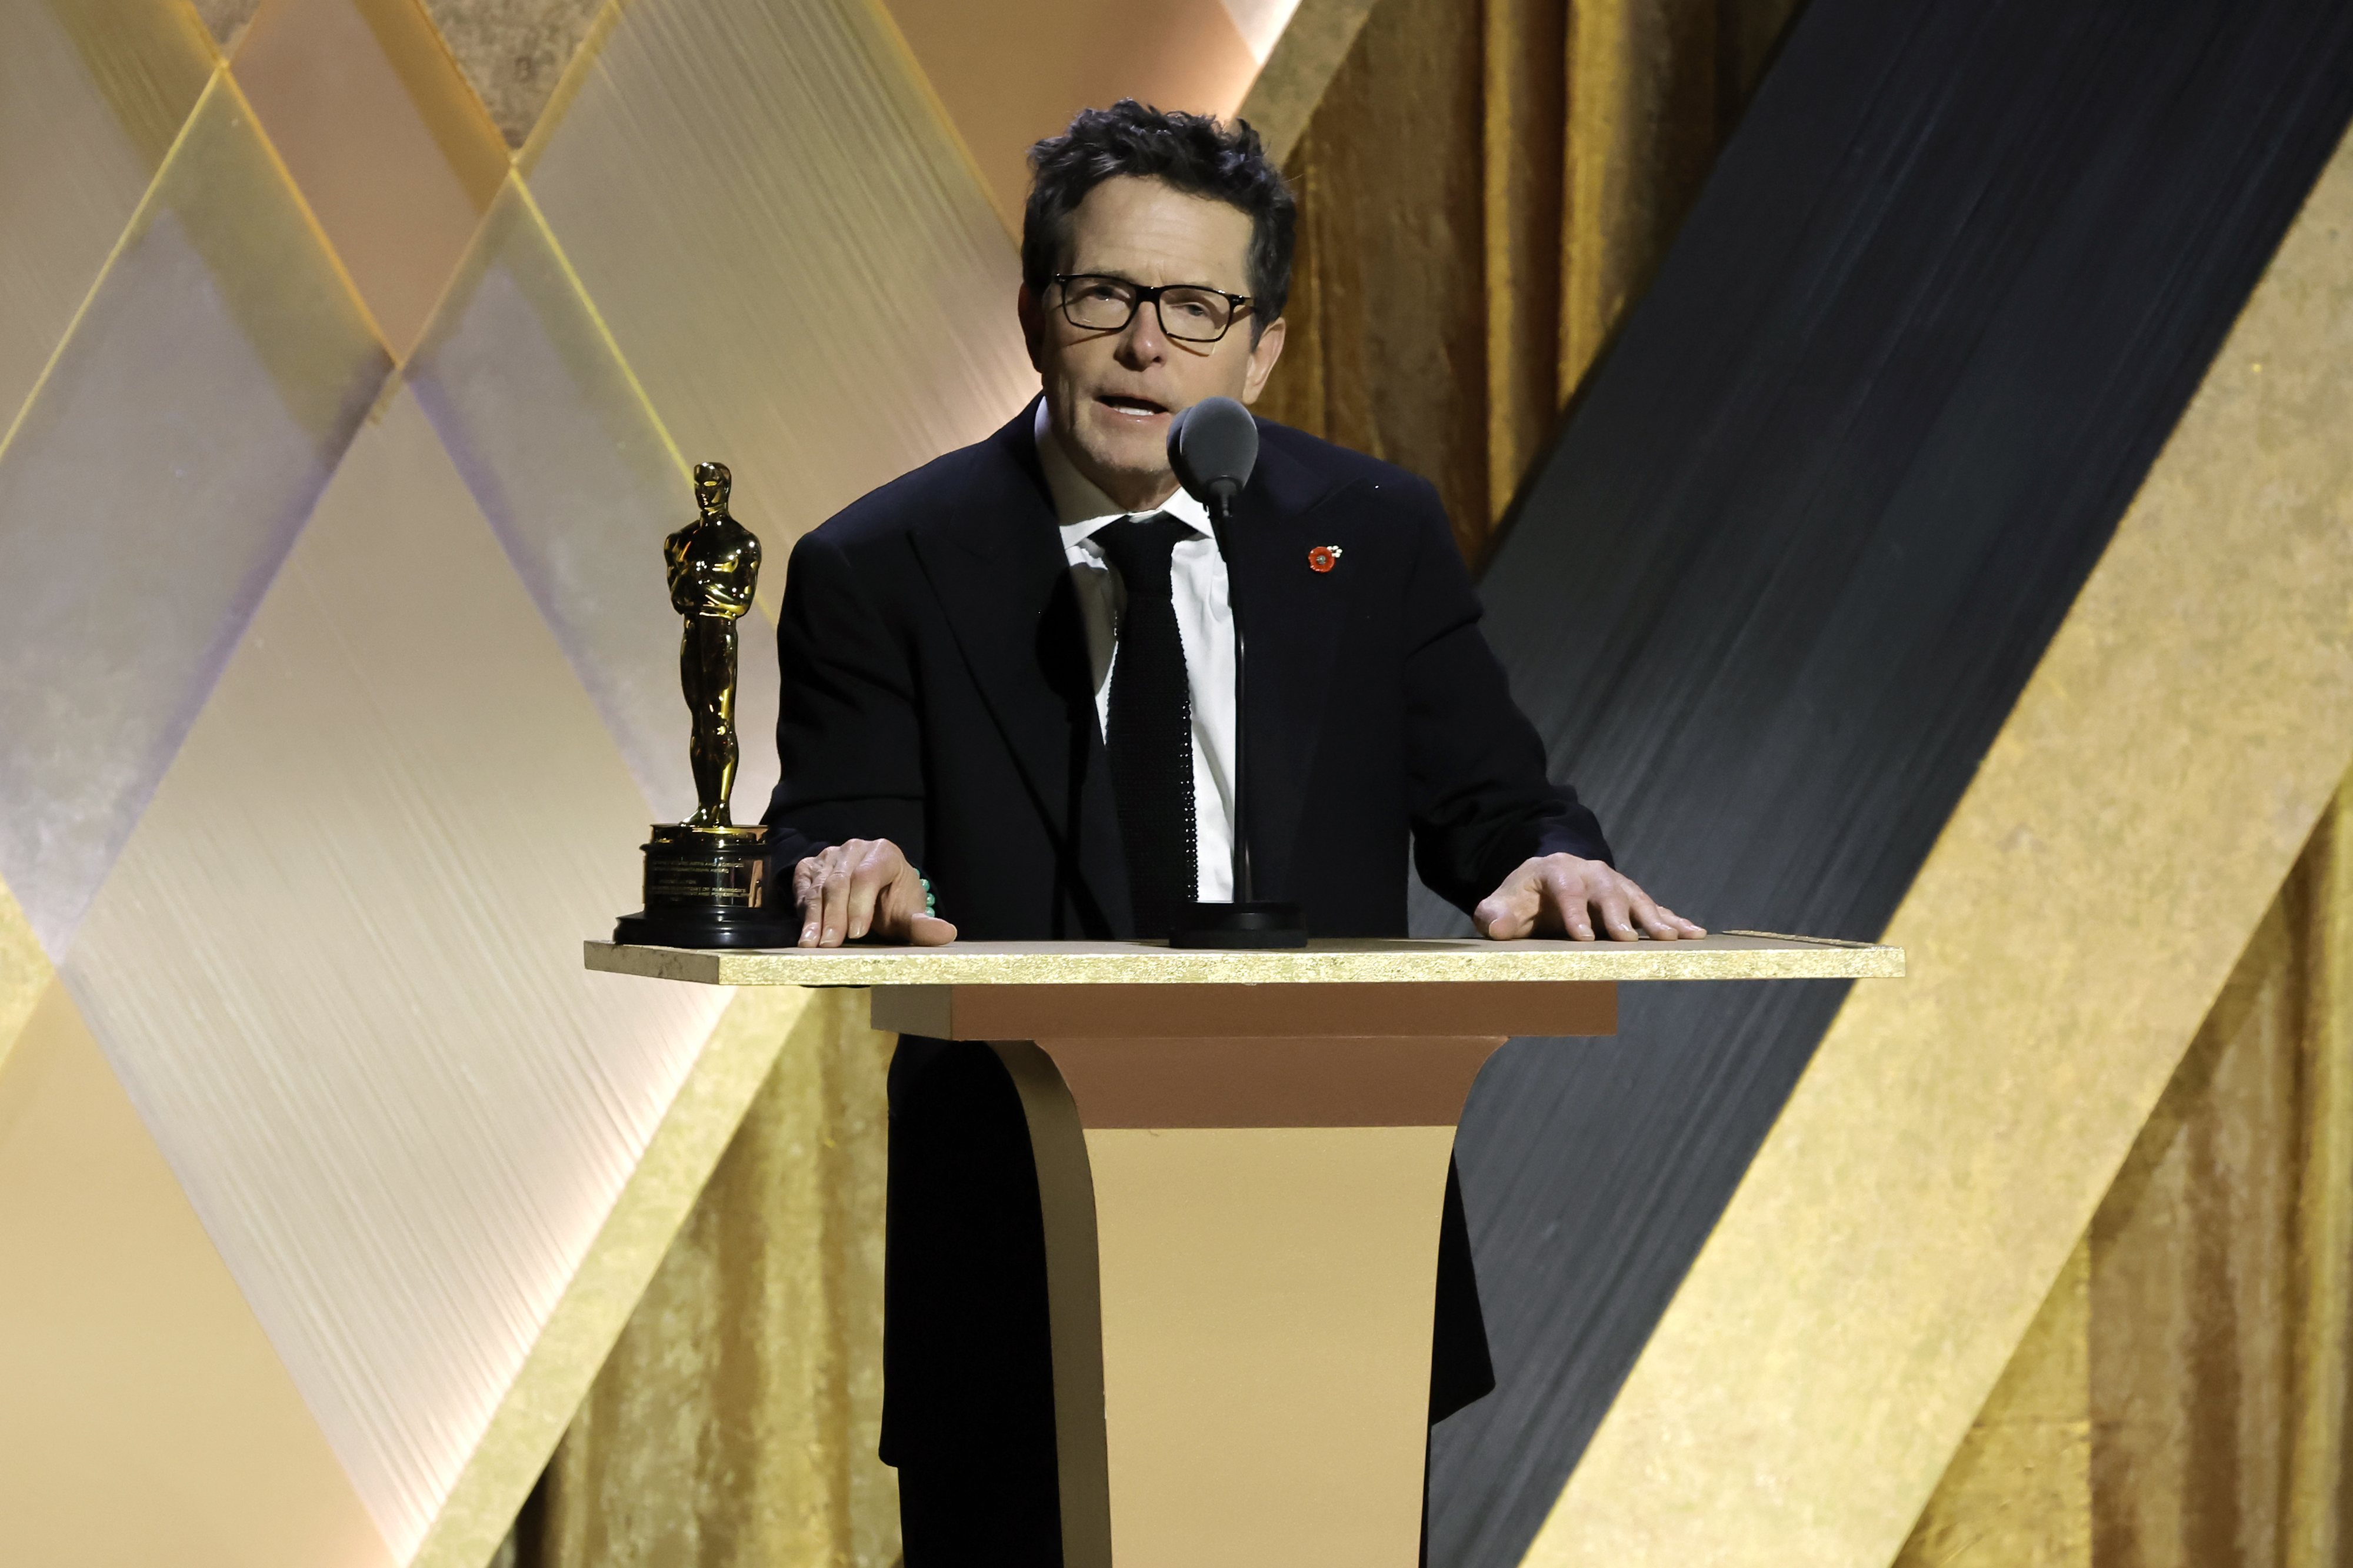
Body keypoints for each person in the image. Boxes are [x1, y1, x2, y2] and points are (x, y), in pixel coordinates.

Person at [762, 101, 1701, 1563]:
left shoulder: (1367, 532)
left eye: (1199, 308)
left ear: (1258, 346)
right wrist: (850, 867)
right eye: (1105, 297)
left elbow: (1489, 800)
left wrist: (1541, 856)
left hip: (1324, 1268)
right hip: (1020, 1277)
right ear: (1034, 314)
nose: (1149, 347)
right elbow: (840, 820)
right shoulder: (881, 566)